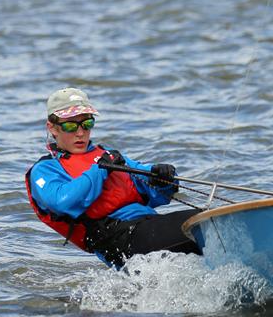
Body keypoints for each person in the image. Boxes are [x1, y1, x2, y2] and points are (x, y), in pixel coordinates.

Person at [25, 87, 202, 267]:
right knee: (204, 224)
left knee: (204, 222)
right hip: (118, 239)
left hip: (148, 225)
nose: (80, 133)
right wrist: (100, 170)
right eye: (71, 125)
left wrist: (165, 178)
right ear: (52, 128)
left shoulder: (108, 156)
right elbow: (63, 201)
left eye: (87, 124)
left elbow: (156, 190)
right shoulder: (45, 170)